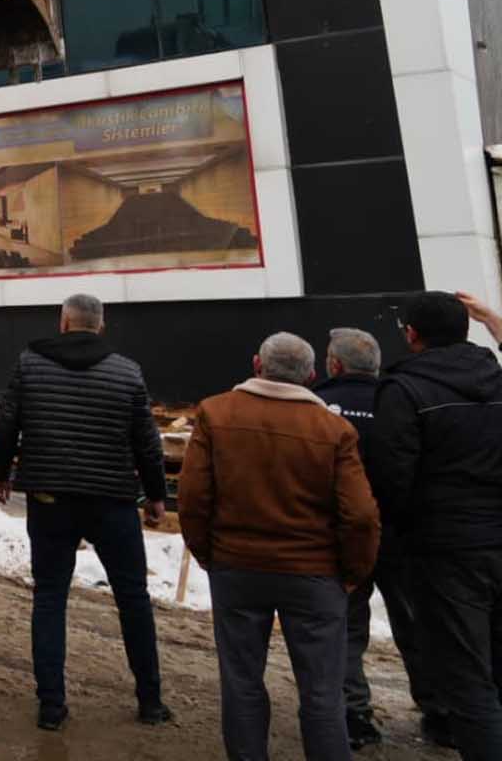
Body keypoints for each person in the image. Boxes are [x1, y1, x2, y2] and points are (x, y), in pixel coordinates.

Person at [180, 332, 380, 761]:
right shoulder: (334, 429)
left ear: (257, 364)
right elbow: (360, 515)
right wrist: (352, 573)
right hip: (315, 576)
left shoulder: (216, 414)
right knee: (323, 694)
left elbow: (193, 497)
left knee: (242, 683)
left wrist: (208, 554)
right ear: (311, 375)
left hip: (237, 568)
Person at [0, 293, 170, 730]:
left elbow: (6, 421)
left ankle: (52, 706)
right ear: (101, 326)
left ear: (63, 322)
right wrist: (157, 495)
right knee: (133, 600)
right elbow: (147, 441)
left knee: (50, 598)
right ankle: (150, 702)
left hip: (50, 499)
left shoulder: (30, 364)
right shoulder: (127, 373)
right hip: (112, 501)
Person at [373, 291, 502, 760]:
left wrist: (404, 537)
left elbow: (392, 478)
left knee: (467, 678)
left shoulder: (404, 390)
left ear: (412, 336)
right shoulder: (496, 376)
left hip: (445, 552)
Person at [313, 327, 440, 748]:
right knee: (417, 623)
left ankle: (354, 715)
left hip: (339, 536)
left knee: (346, 626)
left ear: (333, 364)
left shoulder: (316, 408)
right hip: (401, 533)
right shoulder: (399, 400)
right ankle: (440, 710)